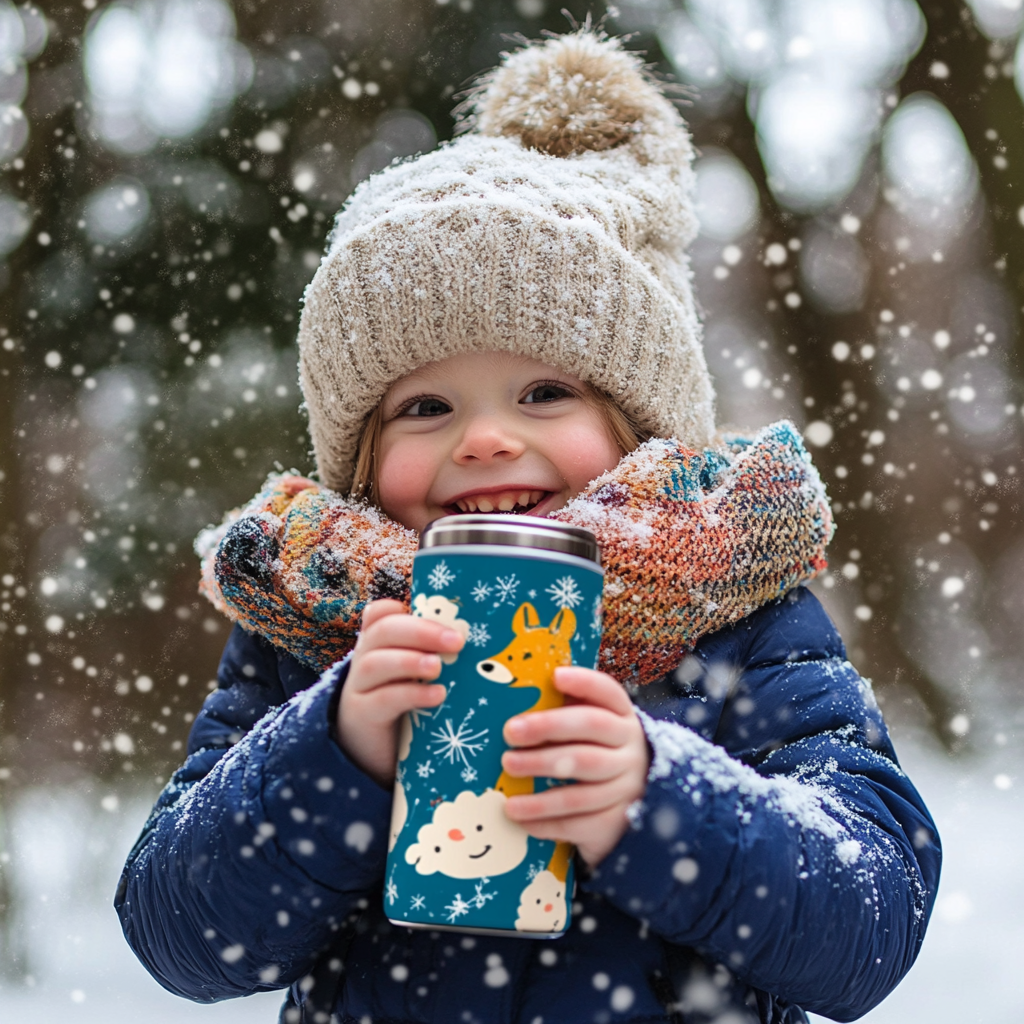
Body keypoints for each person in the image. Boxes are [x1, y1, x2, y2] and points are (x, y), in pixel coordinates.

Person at [115, 29, 940, 1024]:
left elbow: (868, 922)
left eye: (544, 392)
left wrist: (656, 798)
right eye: (425, 408)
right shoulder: (314, 626)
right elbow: (179, 935)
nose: (488, 439)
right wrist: (334, 750)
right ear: (361, 462)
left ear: (635, 425)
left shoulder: (736, 614)